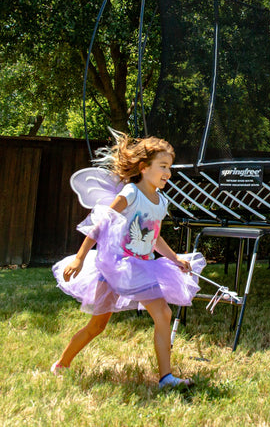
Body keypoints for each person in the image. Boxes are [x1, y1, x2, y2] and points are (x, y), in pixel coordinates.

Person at [50, 133, 205, 390]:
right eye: (163, 167)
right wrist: (79, 258)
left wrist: (175, 258)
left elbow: (154, 238)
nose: (168, 173)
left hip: (140, 267)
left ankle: (166, 378)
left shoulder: (161, 201)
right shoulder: (130, 193)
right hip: (116, 266)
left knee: (163, 313)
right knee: (97, 325)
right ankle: (62, 364)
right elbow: (100, 225)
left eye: (170, 168)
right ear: (144, 168)